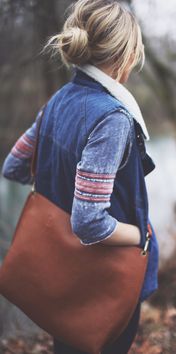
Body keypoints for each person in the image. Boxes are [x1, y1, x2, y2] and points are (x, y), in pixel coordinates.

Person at [1, 1, 159, 353]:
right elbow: (88, 222)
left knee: (69, 342)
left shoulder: (57, 101)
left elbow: (13, 166)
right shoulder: (112, 119)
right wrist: (140, 235)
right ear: (126, 56)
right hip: (102, 278)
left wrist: (56, 178)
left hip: (61, 276)